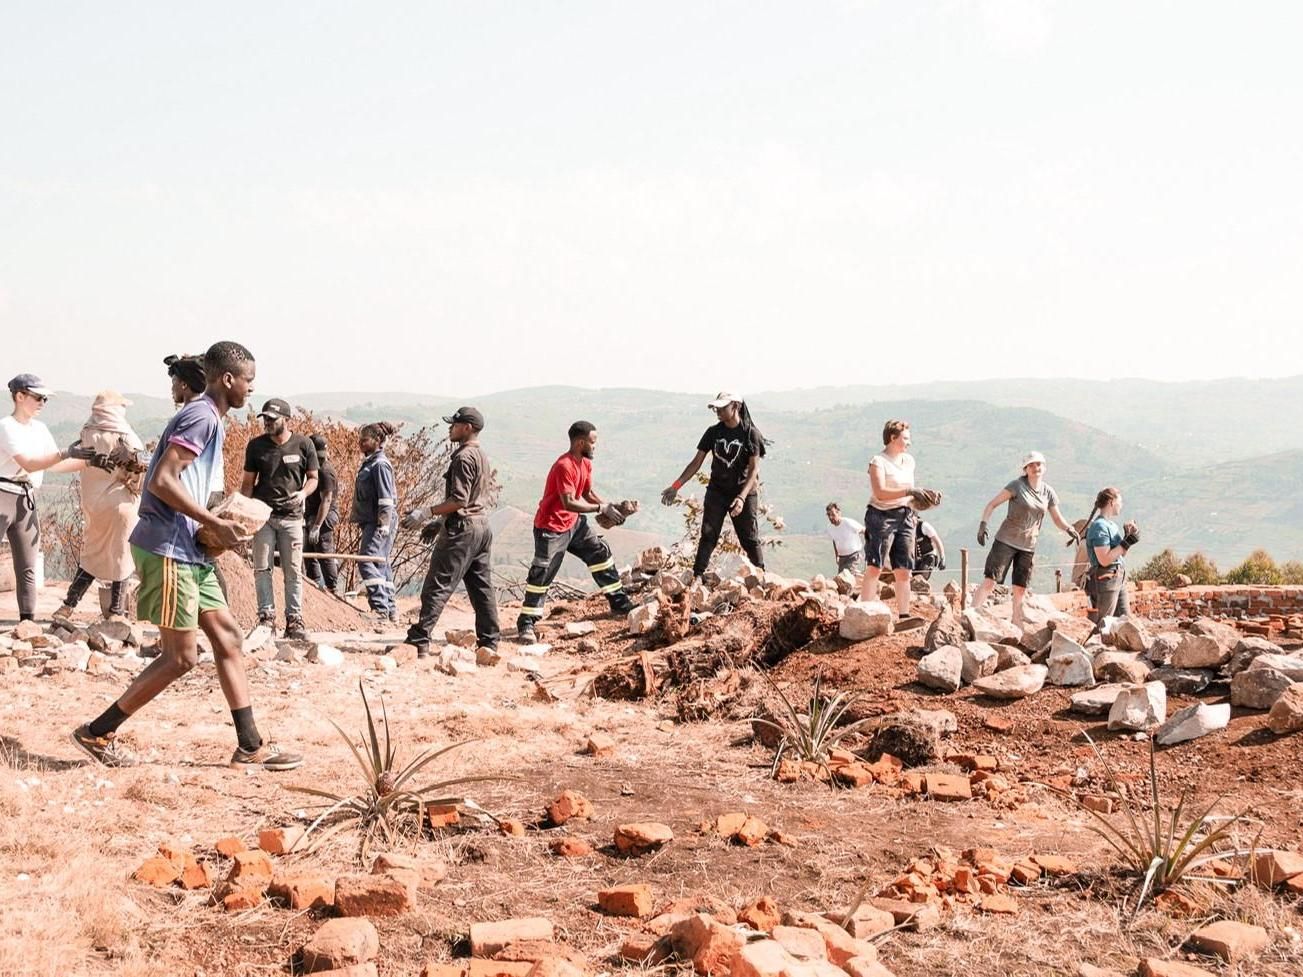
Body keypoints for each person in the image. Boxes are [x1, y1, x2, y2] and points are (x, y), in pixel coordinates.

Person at [71, 341, 302, 771]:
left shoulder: (210, 418)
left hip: (189, 547)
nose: (252, 389)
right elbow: (161, 480)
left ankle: (250, 745)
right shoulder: (201, 416)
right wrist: (212, 523)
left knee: (229, 638)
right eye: (248, 380)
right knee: (181, 657)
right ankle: (97, 731)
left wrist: (215, 520)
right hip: (168, 546)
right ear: (227, 379)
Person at [516, 421, 635, 644]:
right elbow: (569, 502)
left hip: (574, 525)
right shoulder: (564, 466)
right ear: (581, 442)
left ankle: (620, 604)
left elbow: (587, 493)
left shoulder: (585, 464)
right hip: (551, 527)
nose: (595, 446)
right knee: (542, 572)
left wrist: (611, 507)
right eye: (592, 442)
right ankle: (526, 623)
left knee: (600, 554)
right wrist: (601, 509)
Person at [398, 407, 499, 657]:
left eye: (455, 424)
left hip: (462, 529)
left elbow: (459, 500)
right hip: (481, 527)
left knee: (437, 584)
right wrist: (439, 523)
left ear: (467, 428)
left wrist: (426, 513)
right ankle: (489, 643)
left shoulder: (463, 458)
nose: (450, 428)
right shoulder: (481, 455)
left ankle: (419, 638)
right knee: (481, 587)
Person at [0, 374, 95, 622]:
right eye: (38, 397)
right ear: (19, 396)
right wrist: (65, 453)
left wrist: (90, 463)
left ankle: (26, 624)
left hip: (26, 499)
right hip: (3, 494)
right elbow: (30, 463)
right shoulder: (6, 426)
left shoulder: (40, 429)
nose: (42, 402)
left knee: (28, 566)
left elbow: (53, 464)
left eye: (45, 399)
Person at [54, 391, 147, 623]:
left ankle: (67, 606)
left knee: (91, 556)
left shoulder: (85, 432)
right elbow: (140, 469)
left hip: (94, 506)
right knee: (122, 557)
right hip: (121, 504)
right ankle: (116, 611)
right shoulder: (124, 436)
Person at [661, 392, 768, 578]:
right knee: (709, 535)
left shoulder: (751, 434)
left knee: (749, 539)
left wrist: (741, 498)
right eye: (716, 408)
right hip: (717, 492)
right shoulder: (713, 432)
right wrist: (676, 486)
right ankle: (697, 576)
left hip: (743, 493)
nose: (717, 411)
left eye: (722, 407)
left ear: (736, 406)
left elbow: (753, 471)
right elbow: (696, 463)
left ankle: (761, 576)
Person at [971, 451, 1080, 628]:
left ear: (1044, 467)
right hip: (1006, 540)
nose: (1036, 468)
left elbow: (1057, 519)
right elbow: (992, 504)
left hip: (1028, 545)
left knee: (1020, 587)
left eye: (1039, 464)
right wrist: (983, 524)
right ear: (1025, 469)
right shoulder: (1017, 486)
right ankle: (971, 615)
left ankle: (1016, 624)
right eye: (1031, 465)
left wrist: (1069, 529)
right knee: (991, 580)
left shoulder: (1048, 492)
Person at [241, 398, 318, 639]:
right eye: (265, 418)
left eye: (272, 419)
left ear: (286, 419)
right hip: (263, 517)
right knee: (262, 568)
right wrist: (244, 515)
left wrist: (303, 493)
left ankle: (294, 621)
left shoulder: (304, 444)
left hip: (293, 518)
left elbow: (314, 478)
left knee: (293, 570)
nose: (267, 423)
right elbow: (247, 484)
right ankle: (266, 618)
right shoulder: (255, 447)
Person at [859, 419, 938, 625]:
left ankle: (904, 615)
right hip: (881, 515)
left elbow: (909, 496)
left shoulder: (909, 461)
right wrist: (909, 491)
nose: (909, 443)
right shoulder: (878, 461)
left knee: (904, 568)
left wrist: (926, 499)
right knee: (875, 565)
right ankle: (864, 612)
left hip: (906, 515)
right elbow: (880, 492)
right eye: (905, 438)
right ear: (893, 438)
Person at [351, 421, 399, 623]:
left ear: (378, 441)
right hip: (373, 521)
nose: (361, 443)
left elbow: (386, 498)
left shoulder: (379, 465)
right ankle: (390, 609)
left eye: (365, 439)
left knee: (367, 560)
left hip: (379, 521)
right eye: (360, 439)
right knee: (381, 562)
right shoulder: (371, 463)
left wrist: (383, 525)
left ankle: (380, 609)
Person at [1084, 486, 1138, 624]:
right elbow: (1104, 560)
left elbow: (1121, 554)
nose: (1122, 505)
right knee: (1105, 621)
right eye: (1120, 501)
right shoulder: (1099, 526)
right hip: (1106, 577)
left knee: (1125, 622)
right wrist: (1125, 543)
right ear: (1112, 502)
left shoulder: (1111, 525)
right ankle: (1095, 644)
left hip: (1119, 576)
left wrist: (1128, 537)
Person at [303, 433, 339, 594]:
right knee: (309, 552)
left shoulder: (325, 471)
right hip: (312, 515)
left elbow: (327, 500)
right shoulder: (313, 468)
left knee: (323, 550)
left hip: (324, 516)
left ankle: (332, 588)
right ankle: (314, 584)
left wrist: (317, 525)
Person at [824, 503, 865, 574]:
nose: (831, 517)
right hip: (842, 557)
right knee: (841, 578)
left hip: (853, 556)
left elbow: (863, 530)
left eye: (833, 514)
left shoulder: (848, 523)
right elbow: (835, 541)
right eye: (828, 515)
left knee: (847, 576)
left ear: (838, 513)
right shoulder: (830, 528)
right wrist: (837, 555)